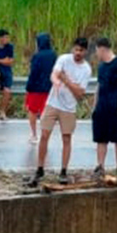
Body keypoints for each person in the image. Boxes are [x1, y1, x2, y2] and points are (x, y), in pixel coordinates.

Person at [26, 37, 92, 187]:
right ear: (72, 49)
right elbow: (54, 74)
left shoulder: (86, 69)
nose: (78, 53)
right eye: (76, 49)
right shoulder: (63, 59)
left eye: (81, 50)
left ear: (85, 52)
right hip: (53, 102)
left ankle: (63, 171)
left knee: (66, 138)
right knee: (44, 135)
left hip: (69, 107)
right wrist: (56, 81)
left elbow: (80, 93)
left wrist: (66, 80)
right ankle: (40, 168)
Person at [91, 37, 117, 177]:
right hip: (102, 108)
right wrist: (95, 106)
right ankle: (100, 166)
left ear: (102, 49)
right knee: (101, 139)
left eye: (96, 50)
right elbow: (98, 87)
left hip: (115, 107)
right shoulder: (101, 66)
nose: (96, 54)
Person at [24, 32, 57, 144]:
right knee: (46, 112)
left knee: (32, 110)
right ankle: (45, 135)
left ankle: (34, 135)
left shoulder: (37, 56)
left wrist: (28, 87)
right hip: (49, 88)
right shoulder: (53, 55)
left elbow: (34, 73)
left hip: (36, 88)